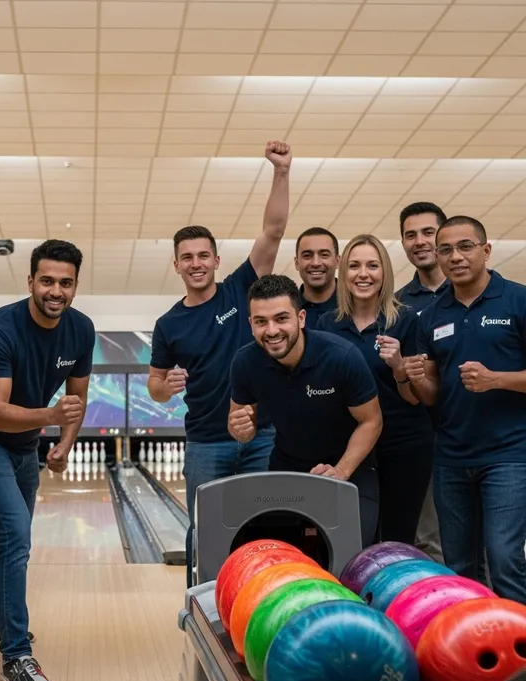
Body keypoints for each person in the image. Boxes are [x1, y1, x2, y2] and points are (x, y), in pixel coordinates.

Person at [0, 239, 95, 681]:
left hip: (25, 443)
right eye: (47, 280)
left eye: (65, 283)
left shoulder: (81, 330)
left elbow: (77, 399)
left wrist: (65, 444)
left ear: (74, 286)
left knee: (12, 531)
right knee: (15, 533)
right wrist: (51, 418)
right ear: (30, 280)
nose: (56, 290)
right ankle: (16, 655)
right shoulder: (0, 329)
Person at [148, 141, 292, 588]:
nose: (196, 263)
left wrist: (282, 173)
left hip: (263, 435)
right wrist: (164, 387)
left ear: (216, 260)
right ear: (177, 264)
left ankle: (261, 602)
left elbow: (272, 231)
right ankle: (204, 606)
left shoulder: (238, 292)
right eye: (187, 257)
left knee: (265, 528)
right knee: (206, 533)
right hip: (207, 442)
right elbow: (154, 385)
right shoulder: (168, 324)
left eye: (203, 255)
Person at [404, 215, 526, 605]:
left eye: (465, 246)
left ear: (486, 250)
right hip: (452, 458)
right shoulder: (434, 315)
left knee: (505, 559)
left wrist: (497, 380)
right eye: (446, 250)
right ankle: (472, 657)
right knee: (457, 568)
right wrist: (415, 377)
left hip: (509, 456)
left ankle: (519, 652)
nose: (455, 256)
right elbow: (433, 395)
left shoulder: (518, 300)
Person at [228, 274, 383, 547]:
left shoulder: (340, 357)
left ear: (300, 318)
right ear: (251, 324)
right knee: (286, 561)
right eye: (261, 322)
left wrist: (340, 472)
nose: (272, 330)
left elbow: (371, 421)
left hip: (350, 469)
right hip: (288, 469)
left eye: (281, 318)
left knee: (349, 561)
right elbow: (241, 427)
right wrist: (240, 430)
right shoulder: (245, 362)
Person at [317, 234, 434, 546]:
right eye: (354, 265)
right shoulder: (327, 325)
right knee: (354, 539)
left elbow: (413, 397)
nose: (363, 273)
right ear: (343, 272)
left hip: (404, 444)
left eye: (372, 265)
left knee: (398, 539)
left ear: (385, 272)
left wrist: (398, 365)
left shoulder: (406, 321)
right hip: (350, 445)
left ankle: (394, 596)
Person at [395, 201, 449, 562]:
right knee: (429, 542)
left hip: (479, 435)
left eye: (427, 232)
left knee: (493, 546)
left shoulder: (471, 291)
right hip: (422, 438)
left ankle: (495, 617)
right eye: (410, 235)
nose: (419, 241)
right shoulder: (397, 305)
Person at [294, 226, 340, 328]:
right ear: (297, 263)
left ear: (337, 261)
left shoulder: (357, 306)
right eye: (307, 256)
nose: (315, 263)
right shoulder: (288, 311)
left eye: (324, 255)